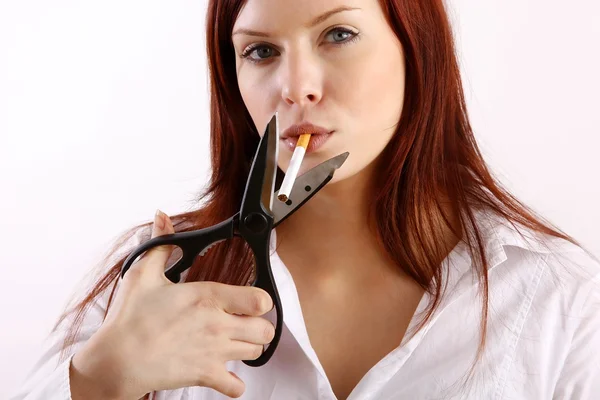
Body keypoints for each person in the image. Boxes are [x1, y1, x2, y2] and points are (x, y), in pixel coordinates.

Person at [10, 0, 600, 399]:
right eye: (261, 51)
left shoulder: (561, 300)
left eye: (338, 34)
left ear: (416, 47)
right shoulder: (156, 280)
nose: (296, 88)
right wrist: (97, 380)